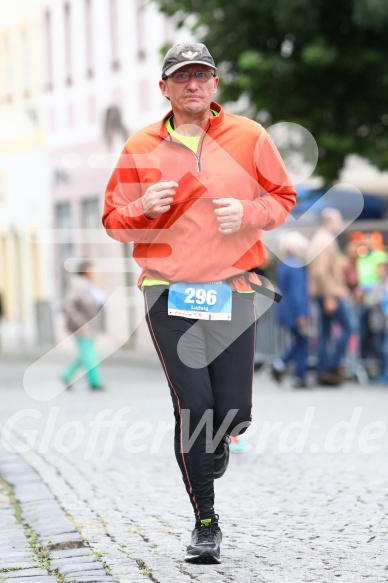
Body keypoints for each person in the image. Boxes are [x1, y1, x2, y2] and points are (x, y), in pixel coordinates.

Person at [102, 41, 296, 563]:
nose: (192, 84)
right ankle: (205, 524)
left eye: (201, 75)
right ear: (163, 89)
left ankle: (223, 440)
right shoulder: (140, 147)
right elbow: (113, 222)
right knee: (194, 409)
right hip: (168, 293)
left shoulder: (250, 137)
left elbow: (283, 198)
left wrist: (250, 212)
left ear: (215, 85)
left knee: (232, 413)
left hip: (233, 289)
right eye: (181, 76)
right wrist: (143, 206)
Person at [307, 208, 352, 386]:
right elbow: (320, 272)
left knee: (325, 333)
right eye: (338, 219)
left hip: (323, 292)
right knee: (349, 327)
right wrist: (329, 296)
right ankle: (331, 366)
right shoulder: (325, 240)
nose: (340, 223)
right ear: (329, 221)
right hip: (330, 292)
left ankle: (323, 370)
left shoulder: (319, 239)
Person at [271, 231, 309, 388]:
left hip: (286, 309)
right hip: (294, 311)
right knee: (302, 341)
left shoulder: (284, 264)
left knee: (299, 341)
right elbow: (297, 292)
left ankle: (281, 364)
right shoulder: (294, 266)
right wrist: (301, 313)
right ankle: (298, 375)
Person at [60, 261, 105, 390]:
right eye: (92, 270)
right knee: (89, 355)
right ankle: (94, 382)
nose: (94, 273)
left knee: (85, 355)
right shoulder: (77, 285)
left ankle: (66, 374)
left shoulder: (91, 285)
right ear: (85, 271)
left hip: (91, 325)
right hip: (81, 326)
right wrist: (78, 322)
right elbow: (68, 305)